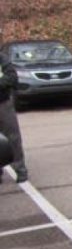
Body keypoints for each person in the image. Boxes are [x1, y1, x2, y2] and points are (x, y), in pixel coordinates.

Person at [0, 50, 27, 183]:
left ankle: (20, 169)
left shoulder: (2, 59)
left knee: (13, 138)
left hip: (3, 103)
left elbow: (11, 78)